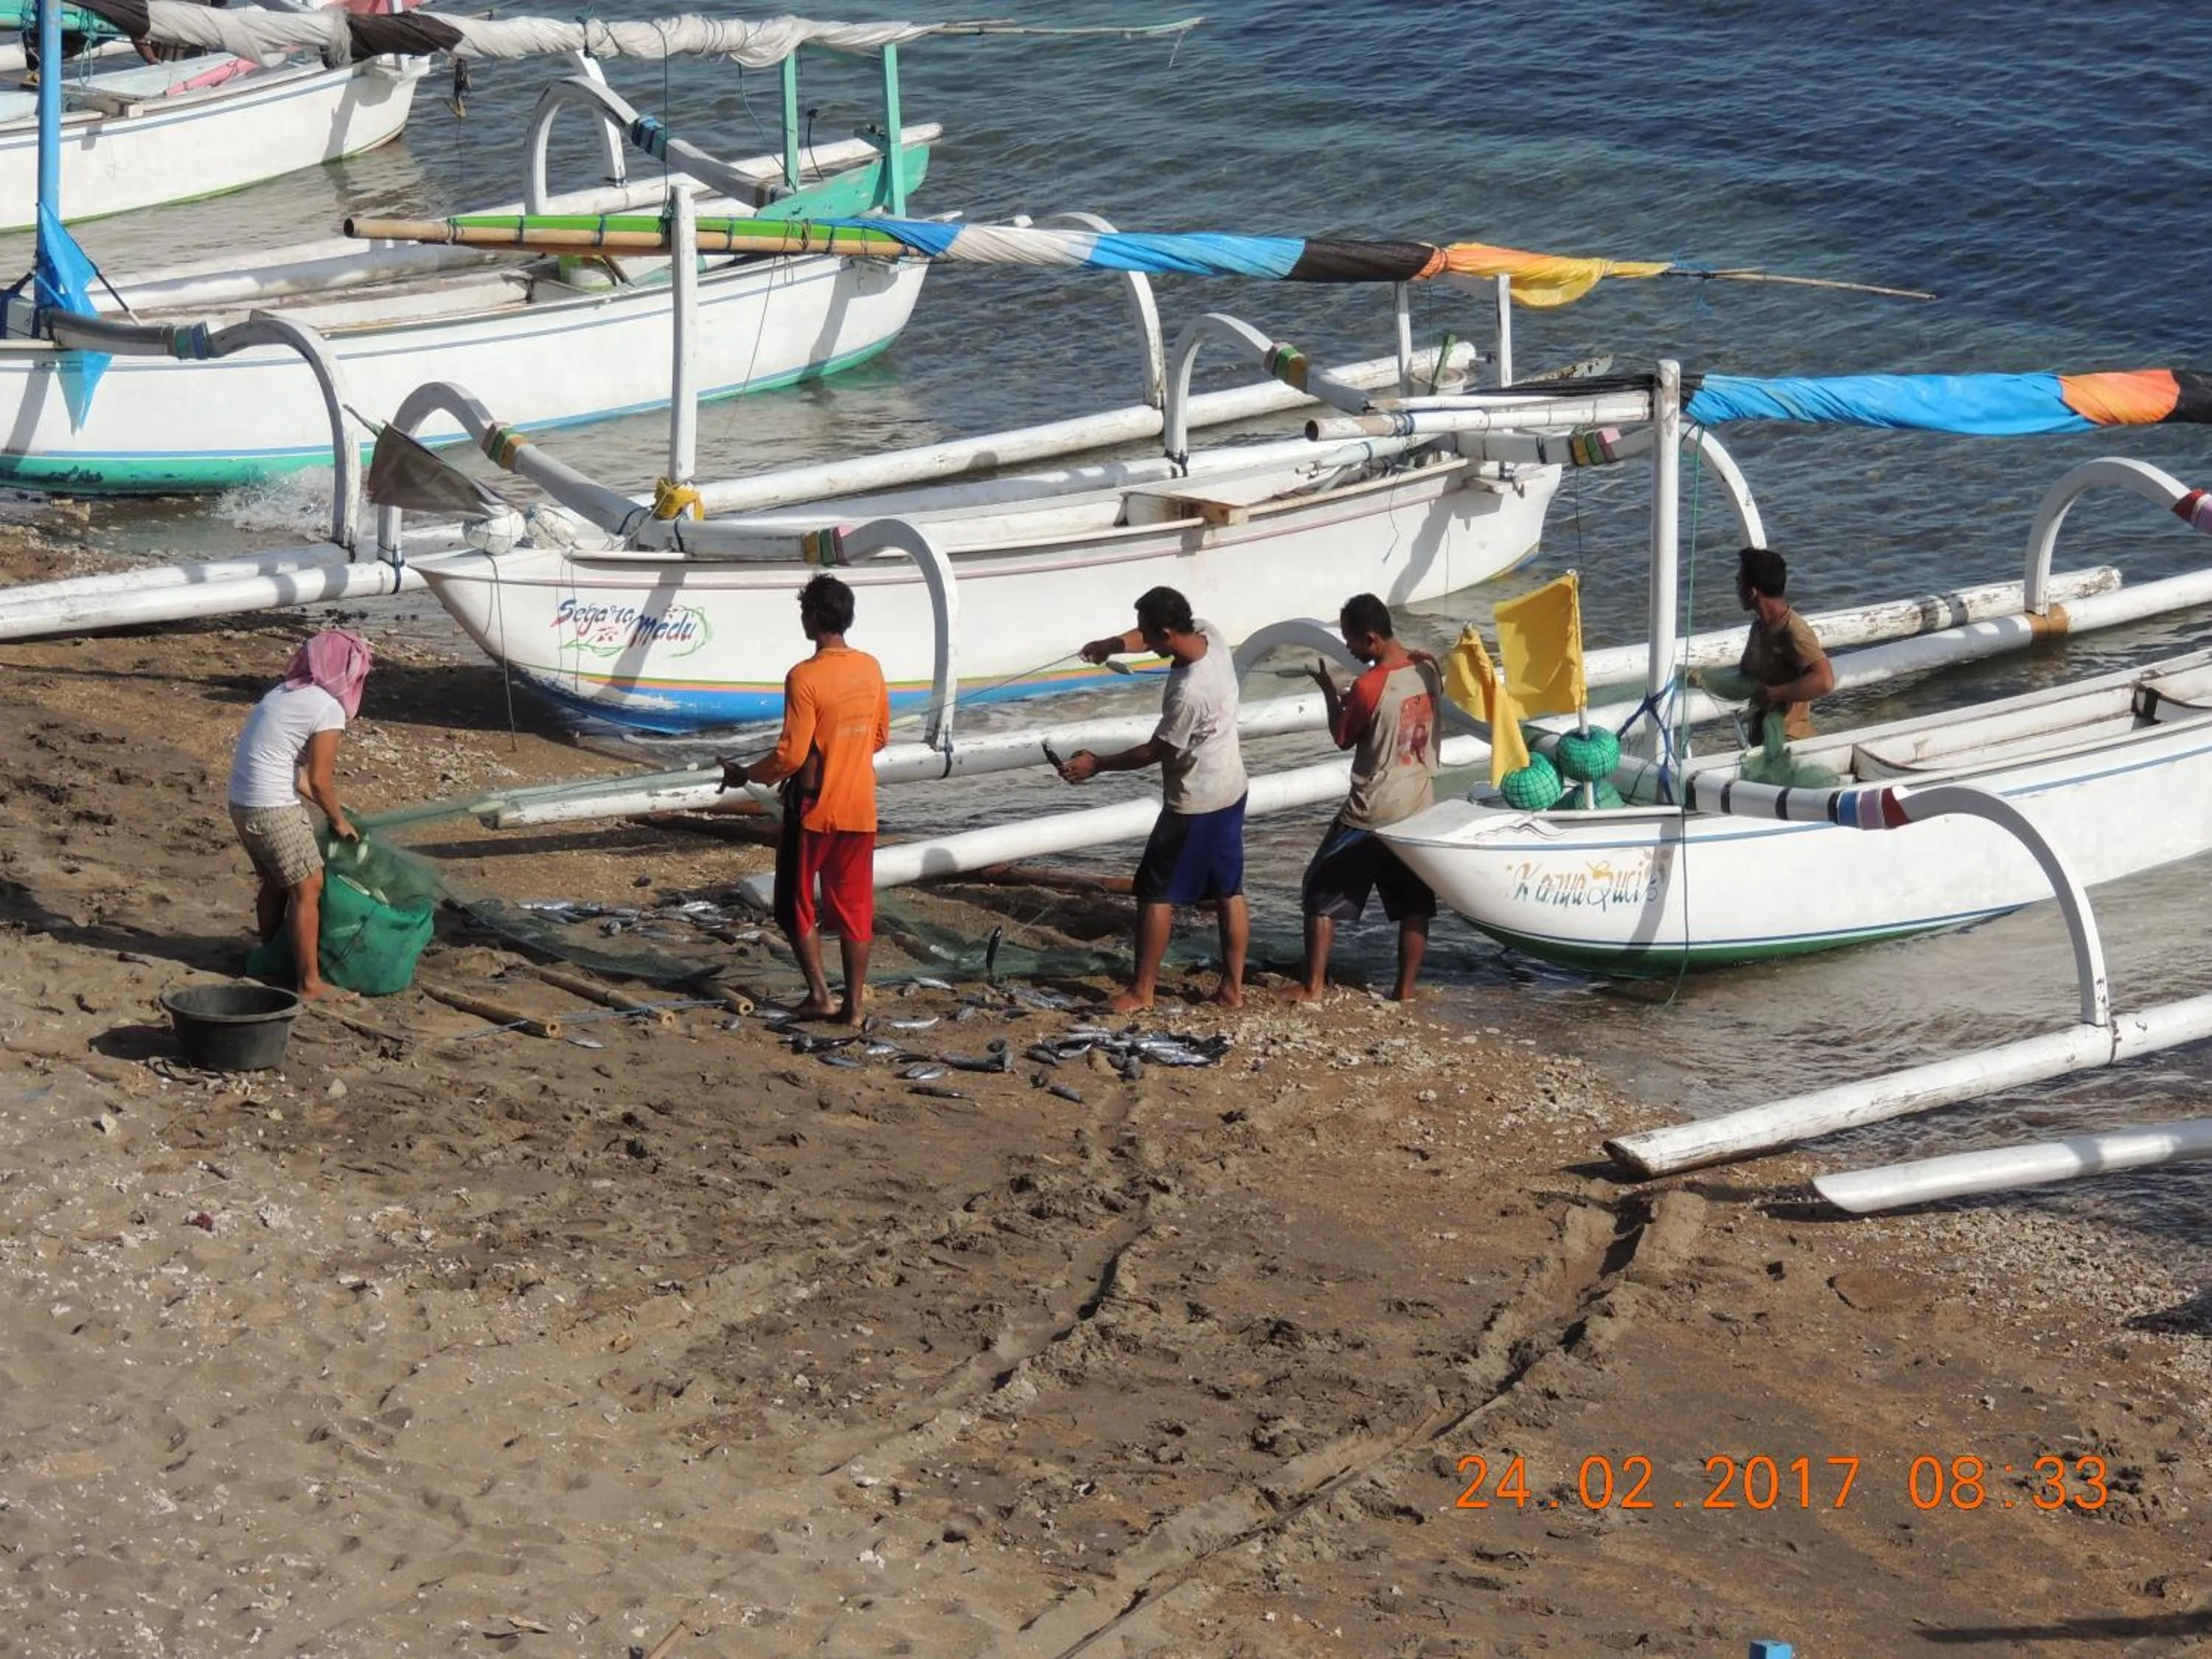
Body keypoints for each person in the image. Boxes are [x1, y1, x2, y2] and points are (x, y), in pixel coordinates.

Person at [1058, 585, 1248, 1012]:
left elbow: (1155, 751)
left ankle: (1142, 991)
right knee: (1229, 890)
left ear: (1166, 632)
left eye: (1146, 632)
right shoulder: (1209, 634)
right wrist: (1112, 645)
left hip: (1195, 803)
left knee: (1153, 892)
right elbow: (1148, 639)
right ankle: (1232, 990)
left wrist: (1098, 764)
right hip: (1232, 788)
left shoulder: (1189, 693)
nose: (1141, 639)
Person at [723, 574, 889, 1026]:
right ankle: (854, 1007)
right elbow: (878, 736)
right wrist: (840, 754)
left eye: (803, 611)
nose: (802, 618)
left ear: (815, 616)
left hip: (814, 810)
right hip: (860, 808)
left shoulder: (804, 676)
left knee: (793, 904)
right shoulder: (870, 667)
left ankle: (820, 995)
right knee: (855, 911)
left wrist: (745, 774)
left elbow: (790, 755)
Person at [1285, 594, 1443, 1004]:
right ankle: (1404, 991)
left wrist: (1328, 692)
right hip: (1418, 804)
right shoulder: (1428, 667)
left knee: (1319, 892)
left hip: (1372, 809)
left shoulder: (1369, 685)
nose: (1350, 649)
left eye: (1352, 641)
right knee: (1414, 904)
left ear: (1372, 638)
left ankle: (1312, 986)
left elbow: (1343, 737)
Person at [226, 628, 372, 1002]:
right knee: (309, 886)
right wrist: (338, 820)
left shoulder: (283, 692)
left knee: (276, 882)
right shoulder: (327, 708)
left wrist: (335, 810)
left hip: (242, 803)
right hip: (272, 806)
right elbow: (321, 780)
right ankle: (310, 984)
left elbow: (290, 769)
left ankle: (270, 957)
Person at [1725, 545, 1834, 742]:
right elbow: (1745, 680)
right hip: (1761, 738)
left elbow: (1824, 681)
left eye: (1738, 581)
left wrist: (1776, 693)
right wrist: (1701, 679)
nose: (1736, 588)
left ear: (1752, 592)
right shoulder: (1759, 627)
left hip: (1790, 740)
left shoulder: (1794, 630)